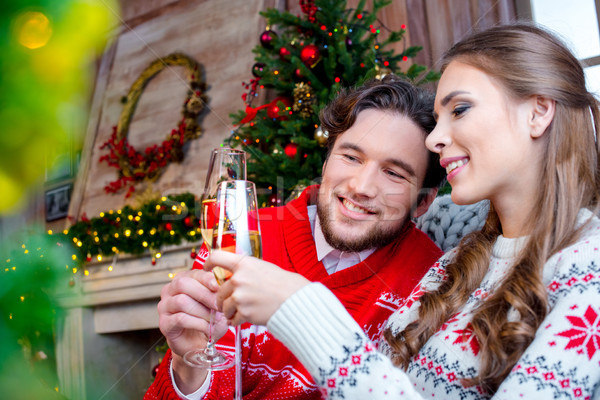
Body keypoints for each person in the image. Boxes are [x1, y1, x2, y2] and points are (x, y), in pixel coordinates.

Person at [208, 23, 600, 399]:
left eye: (460, 109)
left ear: (538, 112)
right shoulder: (453, 267)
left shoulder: (589, 265)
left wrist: (300, 309)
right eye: (350, 157)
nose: (434, 138)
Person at [144, 75, 447, 399]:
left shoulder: (433, 280)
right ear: (327, 160)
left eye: (394, 173)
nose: (361, 186)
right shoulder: (242, 235)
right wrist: (188, 364)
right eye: (351, 157)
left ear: (424, 201)